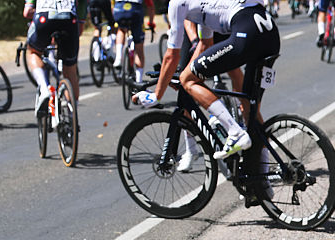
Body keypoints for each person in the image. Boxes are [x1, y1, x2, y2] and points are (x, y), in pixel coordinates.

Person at [132, 0, 278, 159]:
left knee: (189, 81)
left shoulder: (177, 3)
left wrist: (156, 95)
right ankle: (263, 177)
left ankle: (234, 132)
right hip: (269, 35)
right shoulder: (202, 7)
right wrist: (185, 72)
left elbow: (171, 55)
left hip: (246, 31)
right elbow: (205, 44)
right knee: (250, 110)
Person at [23, 0, 80, 115]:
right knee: (70, 68)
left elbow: (27, 12)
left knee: (32, 52)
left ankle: (44, 89)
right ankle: (71, 115)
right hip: (69, 19)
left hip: (45, 17)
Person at [112, 0, 155, 87]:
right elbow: (150, 6)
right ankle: (138, 82)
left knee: (121, 29)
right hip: (135, 9)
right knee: (139, 47)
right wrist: (151, 23)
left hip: (119, 8)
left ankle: (118, 58)